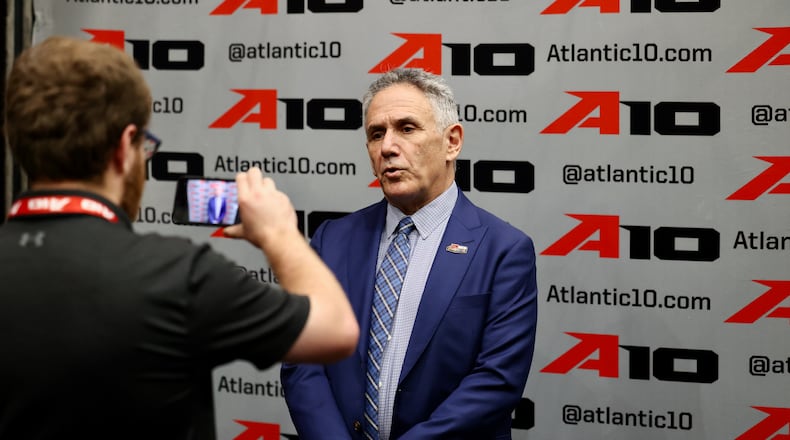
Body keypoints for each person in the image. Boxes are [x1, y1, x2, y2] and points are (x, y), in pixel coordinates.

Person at [0, 36, 359, 439]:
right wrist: (279, 233)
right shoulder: (178, 275)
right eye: (144, 148)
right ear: (124, 148)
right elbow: (336, 331)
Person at [281, 68, 538, 439]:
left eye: (407, 128)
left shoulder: (504, 250)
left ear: (452, 141)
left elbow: (496, 382)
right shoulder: (332, 240)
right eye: (376, 133)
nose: (387, 147)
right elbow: (303, 361)